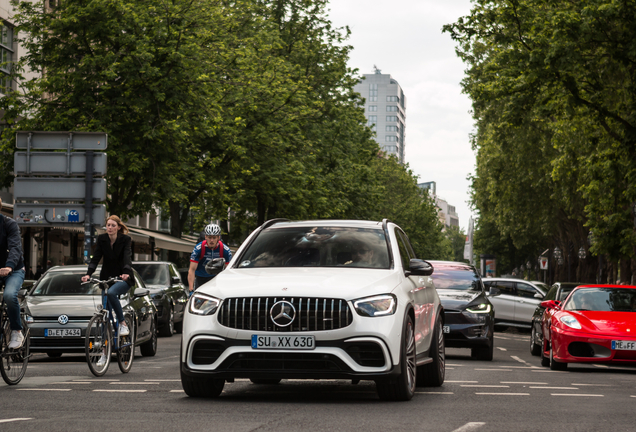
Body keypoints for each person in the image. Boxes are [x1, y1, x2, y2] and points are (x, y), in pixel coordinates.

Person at [81, 215, 134, 365]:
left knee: (112, 293)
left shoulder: (125, 240)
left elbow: (127, 257)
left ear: (118, 227)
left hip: (123, 277)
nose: (109, 228)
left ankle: (122, 322)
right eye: (108, 225)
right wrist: (88, 274)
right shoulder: (102, 239)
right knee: (105, 317)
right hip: (106, 278)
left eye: (112, 225)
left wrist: (126, 272)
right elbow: (96, 258)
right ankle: (104, 354)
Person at [0, 197, 27, 349]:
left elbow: (15, 247)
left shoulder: (9, 224)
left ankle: (16, 330)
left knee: (9, 295)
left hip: (14, 270)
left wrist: (9, 266)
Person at [188, 224, 232, 294]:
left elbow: (228, 271)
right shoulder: (199, 248)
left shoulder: (225, 250)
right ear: (205, 237)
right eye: (209, 237)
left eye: (214, 238)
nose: (211, 240)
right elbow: (192, 269)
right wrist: (191, 289)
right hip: (201, 278)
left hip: (216, 279)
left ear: (218, 237)